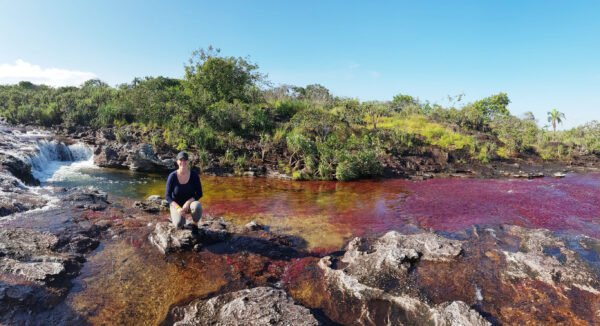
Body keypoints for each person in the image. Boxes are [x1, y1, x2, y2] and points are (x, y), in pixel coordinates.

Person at [165, 151, 203, 228]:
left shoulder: (194, 175)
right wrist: (178, 208)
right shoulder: (172, 176)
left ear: (188, 161)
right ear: (177, 162)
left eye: (185, 160)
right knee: (179, 224)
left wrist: (188, 202)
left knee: (197, 206)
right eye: (180, 160)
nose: (183, 162)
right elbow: (167, 196)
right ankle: (180, 218)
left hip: (189, 205)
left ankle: (195, 224)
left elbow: (199, 193)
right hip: (176, 205)